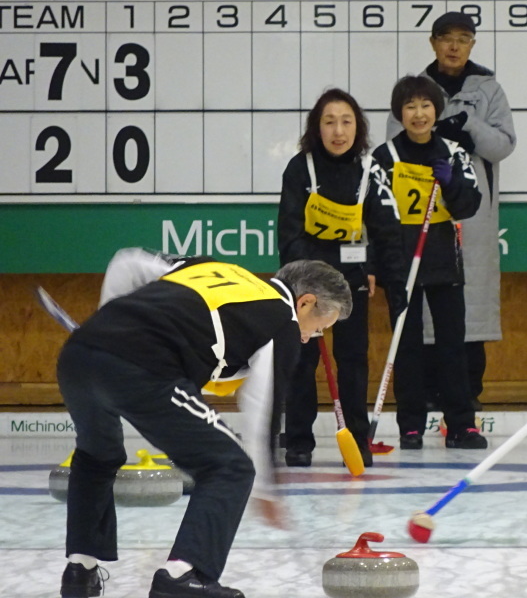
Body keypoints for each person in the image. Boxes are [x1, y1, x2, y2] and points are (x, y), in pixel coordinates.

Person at [57, 249, 352, 598]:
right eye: (319, 328)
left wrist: (108, 320)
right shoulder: (281, 321)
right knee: (233, 465)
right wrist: (265, 488)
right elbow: (262, 406)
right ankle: (185, 574)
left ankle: (80, 571)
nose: (309, 338)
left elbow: (127, 262)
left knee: (98, 455)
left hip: (78, 354)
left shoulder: (218, 270)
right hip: (143, 367)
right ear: (305, 303)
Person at [388, 11, 516, 411]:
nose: (455, 46)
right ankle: (425, 396)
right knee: (424, 302)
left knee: (470, 305)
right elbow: (392, 150)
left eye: (463, 38)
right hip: (418, 215)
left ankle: (465, 397)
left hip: (471, 216)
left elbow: (503, 145)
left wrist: (469, 127)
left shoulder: (489, 90)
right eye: (446, 38)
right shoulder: (414, 89)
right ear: (433, 43)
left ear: (473, 44)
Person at [278, 88, 407, 468]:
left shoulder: (371, 170)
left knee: (352, 362)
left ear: (358, 127)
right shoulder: (300, 168)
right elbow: (289, 233)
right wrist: (311, 283)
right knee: (301, 361)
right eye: (329, 122)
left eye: (346, 122)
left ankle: (357, 437)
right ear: (317, 128)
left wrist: (394, 289)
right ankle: (298, 441)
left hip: (351, 279)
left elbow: (387, 233)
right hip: (306, 283)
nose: (338, 131)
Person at [373, 75, 486, 450]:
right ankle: (410, 424)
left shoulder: (454, 152)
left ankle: (461, 425)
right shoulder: (384, 157)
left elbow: (469, 205)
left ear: (436, 110)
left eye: (425, 105)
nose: (418, 114)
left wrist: (451, 183)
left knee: (452, 343)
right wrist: (380, 265)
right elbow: (372, 214)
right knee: (406, 346)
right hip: (400, 262)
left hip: (443, 260)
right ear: (399, 113)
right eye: (410, 107)